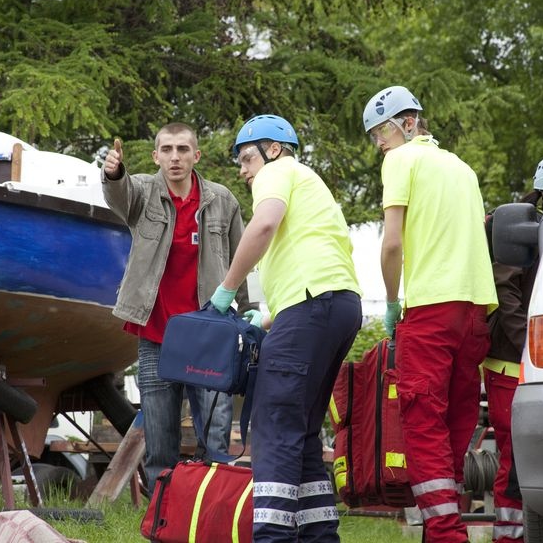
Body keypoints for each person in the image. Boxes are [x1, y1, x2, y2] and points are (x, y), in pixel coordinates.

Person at [208, 114, 362, 543]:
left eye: (245, 158)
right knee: (303, 429)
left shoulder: (277, 172)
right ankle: (318, 536)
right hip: (338, 306)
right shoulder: (313, 186)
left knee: (274, 422)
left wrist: (227, 290)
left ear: (272, 149)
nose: (242, 170)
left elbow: (264, 224)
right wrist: (270, 317)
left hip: (312, 310)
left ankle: (273, 537)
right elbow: (318, 270)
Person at [363, 85, 498, 543]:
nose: (377, 144)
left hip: (431, 310)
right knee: (458, 419)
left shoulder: (401, 161)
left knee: (421, 419)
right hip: (475, 312)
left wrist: (390, 299)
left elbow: (393, 241)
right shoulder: (463, 169)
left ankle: (443, 533)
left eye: (379, 132)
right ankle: (448, 520)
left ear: (406, 122)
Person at [101, 123, 255, 489]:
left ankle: (210, 505)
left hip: (210, 336)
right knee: (160, 439)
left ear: (196, 155)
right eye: (167, 149)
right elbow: (119, 197)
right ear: (155, 156)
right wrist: (114, 173)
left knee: (215, 436)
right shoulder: (141, 191)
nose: (175, 157)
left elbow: (241, 259)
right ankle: (162, 513)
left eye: (183, 149)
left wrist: (248, 312)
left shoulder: (223, 200)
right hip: (157, 335)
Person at [483, 153, 543, 543]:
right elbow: (506, 294)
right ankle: (510, 538)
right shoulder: (523, 229)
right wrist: (529, 349)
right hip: (512, 363)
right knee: (514, 457)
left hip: (537, 361)